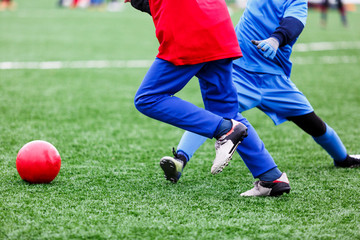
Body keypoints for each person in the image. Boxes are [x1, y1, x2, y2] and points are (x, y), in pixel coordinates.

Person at [162, 0, 360, 196]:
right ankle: (180, 159)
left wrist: (276, 39)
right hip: (240, 74)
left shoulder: (296, 2)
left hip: (276, 82)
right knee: (215, 115)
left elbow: (294, 23)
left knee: (314, 124)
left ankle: (343, 159)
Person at [125, 0, 291, 197]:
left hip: (189, 27)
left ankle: (224, 129)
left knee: (148, 98)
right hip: (218, 24)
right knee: (226, 111)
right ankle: (272, 178)